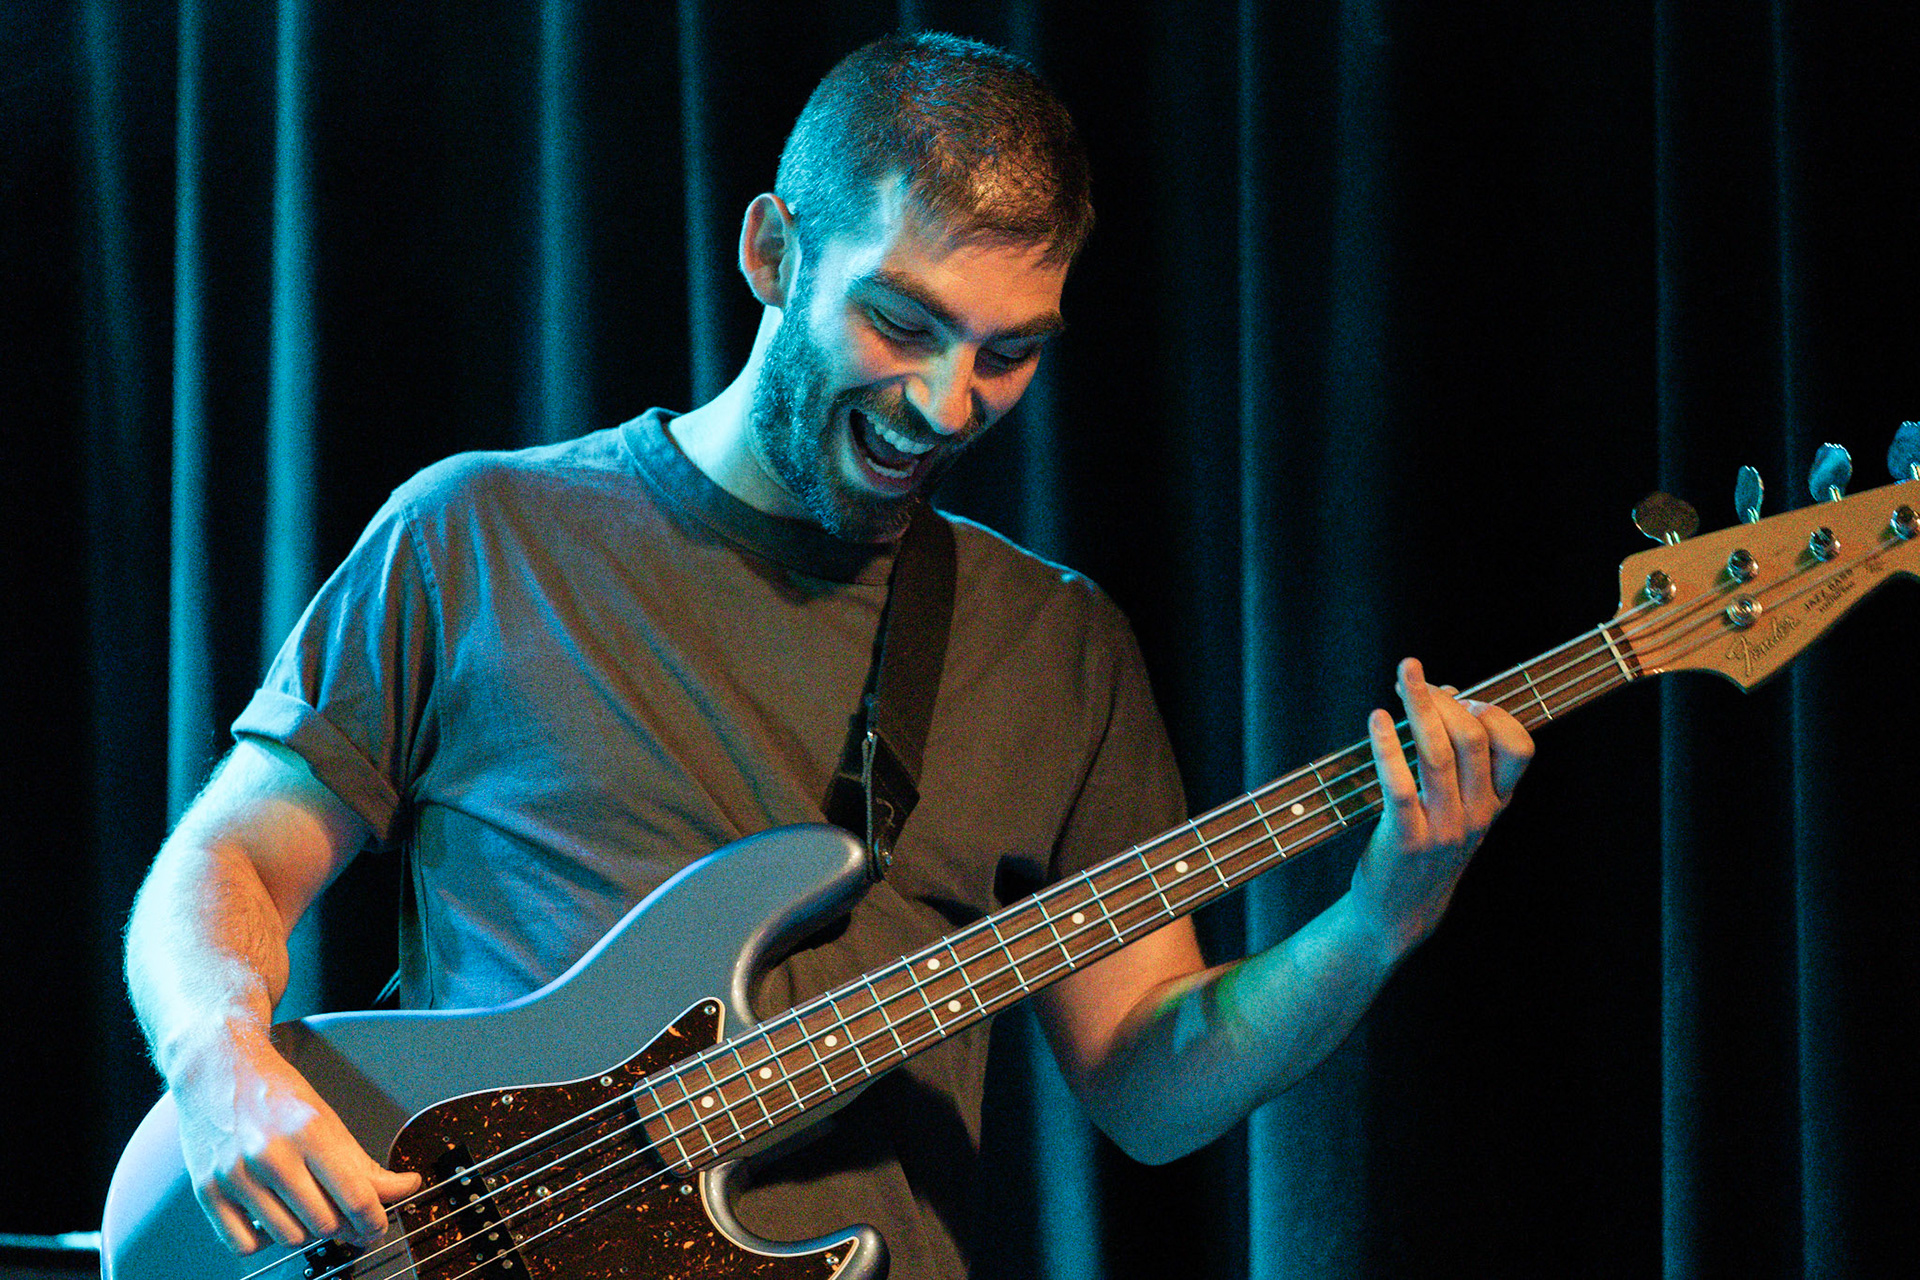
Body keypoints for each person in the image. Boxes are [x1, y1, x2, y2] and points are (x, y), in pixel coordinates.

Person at [123, 31, 1533, 1280]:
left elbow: (1148, 1084)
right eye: (902, 324)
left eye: (1008, 353)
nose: (948, 402)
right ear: (772, 255)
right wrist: (220, 1067)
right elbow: (229, 861)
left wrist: (1373, 925)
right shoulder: (479, 532)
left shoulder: (1056, 645)